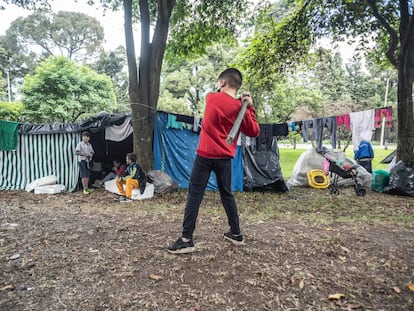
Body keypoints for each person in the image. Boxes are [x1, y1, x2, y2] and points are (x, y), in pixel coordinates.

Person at [168, 68, 260, 254]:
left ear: (222, 83)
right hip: (225, 158)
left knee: (195, 195)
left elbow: (219, 101)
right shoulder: (238, 109)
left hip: (205, 155)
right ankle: (236, 233)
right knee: (227, 194)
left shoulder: (211, 97)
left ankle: (186, 239)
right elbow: (254, 131)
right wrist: (248, 106)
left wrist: (243, 105)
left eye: (219, 82)